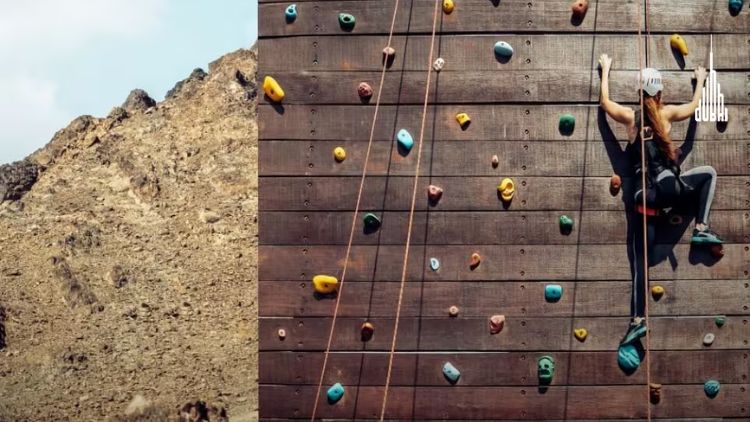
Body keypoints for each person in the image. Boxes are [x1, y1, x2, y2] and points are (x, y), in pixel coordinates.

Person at [598, 54, 723, 347]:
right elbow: (694, 108)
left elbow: (605, 105)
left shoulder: (631, 118)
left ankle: (638, 321)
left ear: (639, 93)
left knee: (641, 263)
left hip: (645, 201)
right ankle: (701, 228)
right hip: (670, 190)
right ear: (660, 93)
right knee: (707, 175)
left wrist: (605, 70)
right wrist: (701, 81)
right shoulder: (665, 115)